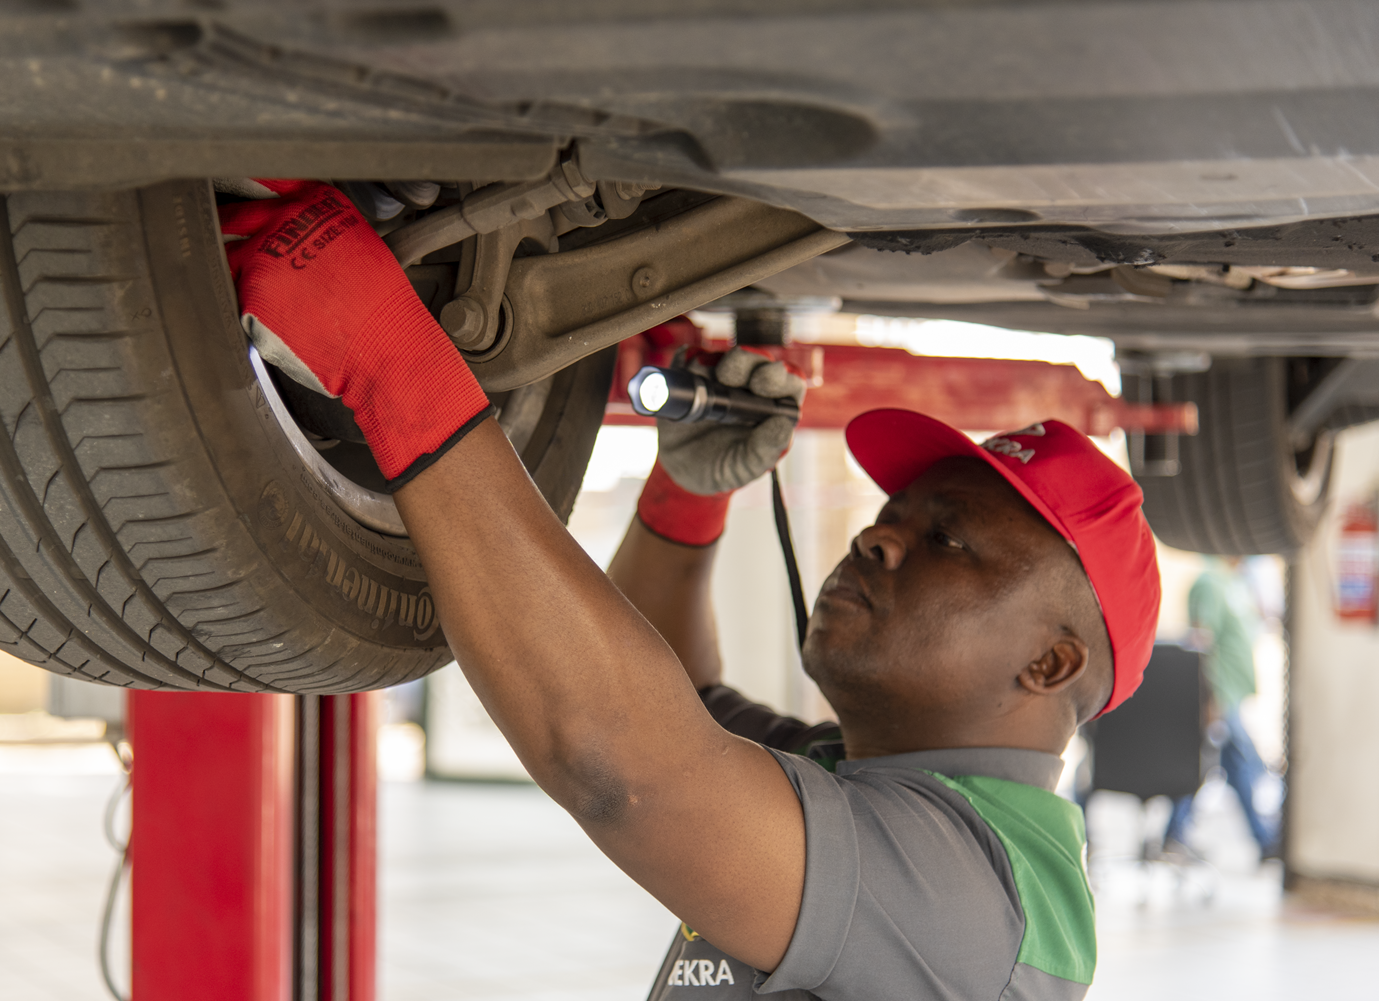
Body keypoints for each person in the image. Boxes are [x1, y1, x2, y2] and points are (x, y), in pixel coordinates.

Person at [220, 181, 1162, 1001]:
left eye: (948, 540)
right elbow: (668, 697)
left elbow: (623, 767)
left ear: (1050, 660)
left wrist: (390, 360)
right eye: (897, 515)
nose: (878, 536)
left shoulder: (977, 891)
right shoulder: (872, 778)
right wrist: (688, 495)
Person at [1162, 558, 1282, 859]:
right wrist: (1208, 699)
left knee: (1225, 764)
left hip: (1234, 694)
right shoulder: (1209, 582)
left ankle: (1174, 834)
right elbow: (1201, 641)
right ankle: (1265, 839)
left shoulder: (1237, 582)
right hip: (1219, 694)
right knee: (1236, 761)